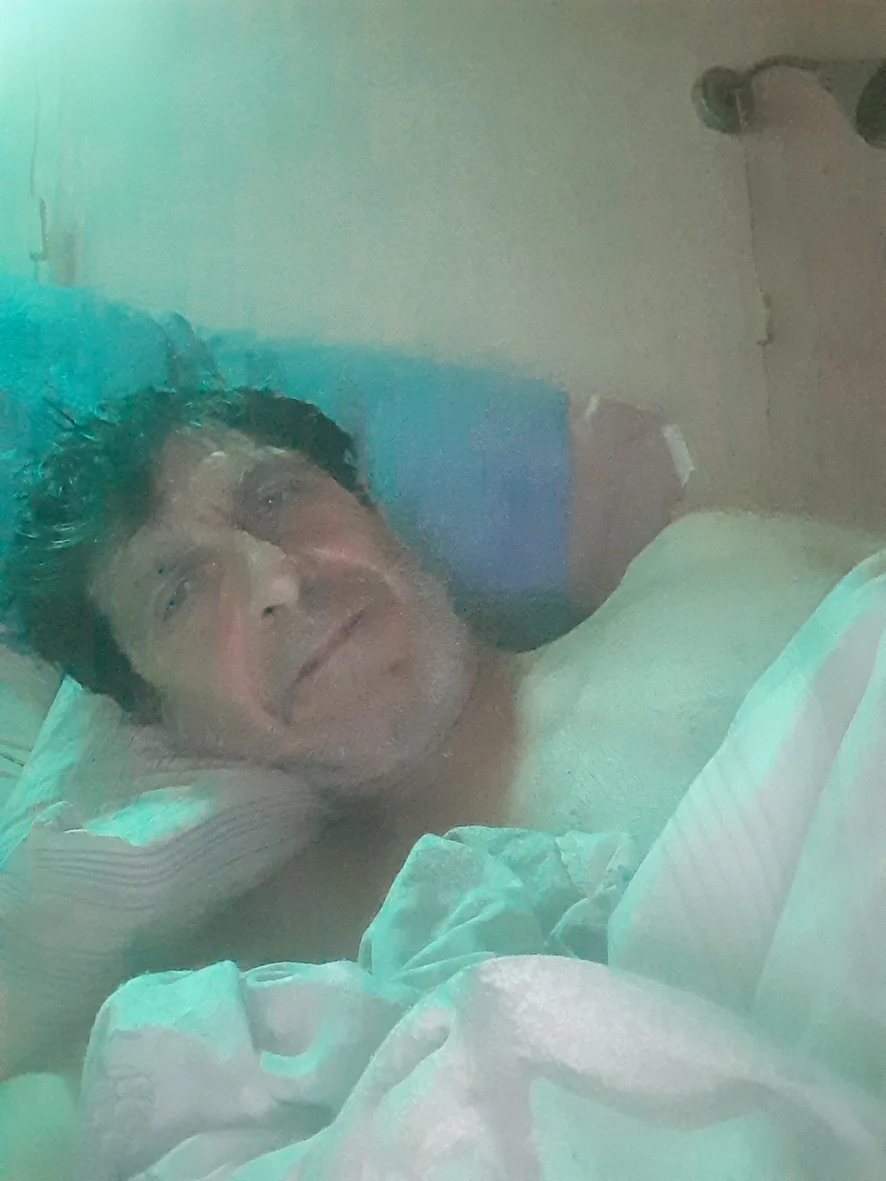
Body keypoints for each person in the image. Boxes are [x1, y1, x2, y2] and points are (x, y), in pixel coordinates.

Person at [4, 384, 882, 969]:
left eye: (277, 497)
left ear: (374, 509)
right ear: (162, 722)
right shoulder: (251, 976)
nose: (277, 579)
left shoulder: (716, 564)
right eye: (181, 594)